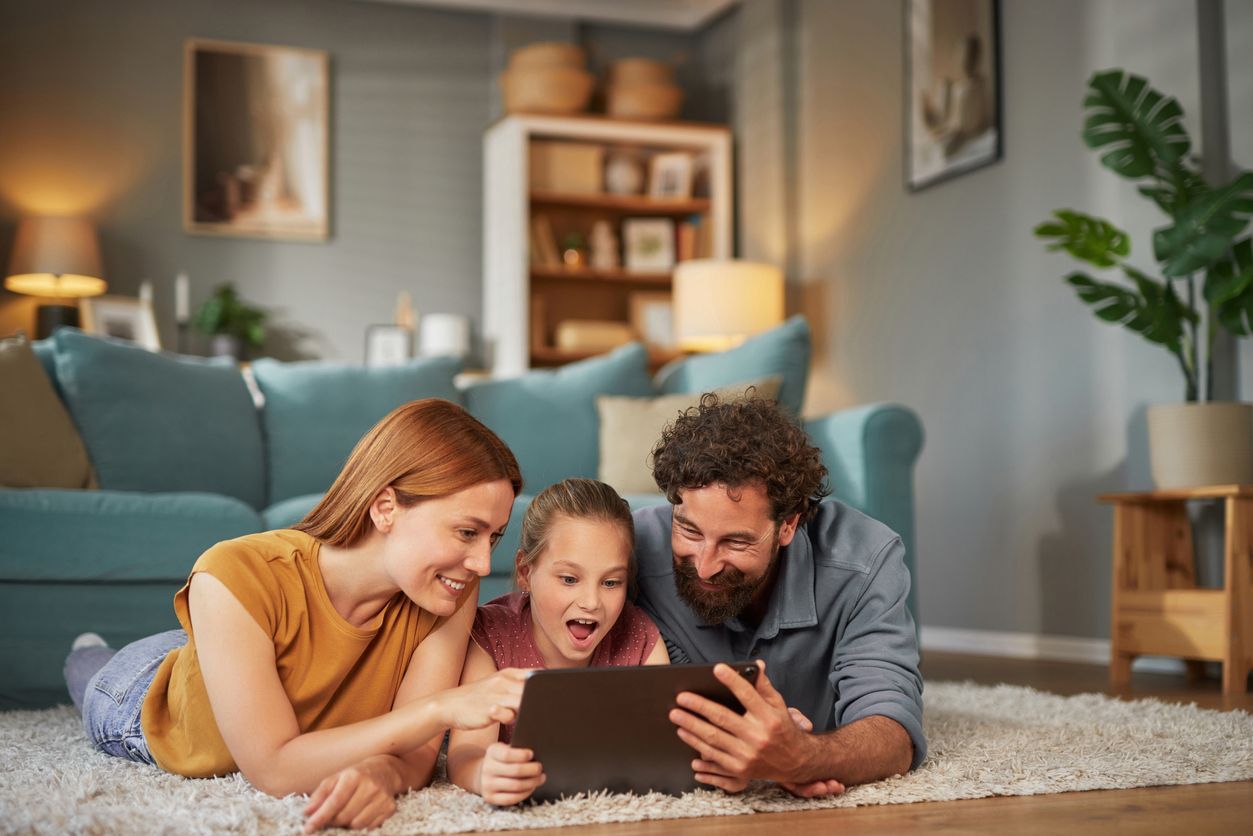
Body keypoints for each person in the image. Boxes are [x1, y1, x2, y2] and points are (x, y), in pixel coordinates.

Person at [63, 399, 531, 832]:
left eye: (492, 537)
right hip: (142, 695)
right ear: (386, 507)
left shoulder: (447, 588)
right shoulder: (232, 571)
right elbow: (273, 769)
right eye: (467, 531)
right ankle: (87, 651)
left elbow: (416, 757)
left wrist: (379, 772)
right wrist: (441, 707)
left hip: (242, 646)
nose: (483, 565)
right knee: (94, 674)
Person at [633, 394, 925, 798]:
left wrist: (803, 757)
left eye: (736, 541)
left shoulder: (867, 560)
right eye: (690, 531)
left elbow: (894, 735)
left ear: (788, 525)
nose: (704, 566)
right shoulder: (632, 548)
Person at [447, 478, 669, 806]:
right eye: (569, 579)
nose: (591, 601)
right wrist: (483, 773)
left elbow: (664, 747)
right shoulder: (491, 636)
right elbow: (467, 750)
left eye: (611, 582)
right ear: (525, 572)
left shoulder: (638, 637)